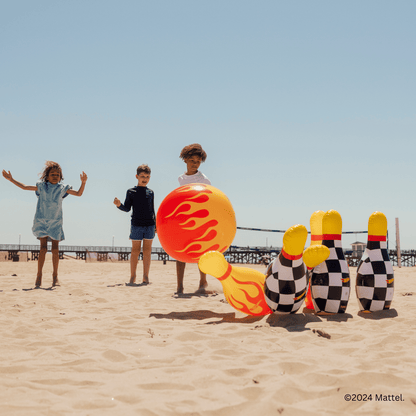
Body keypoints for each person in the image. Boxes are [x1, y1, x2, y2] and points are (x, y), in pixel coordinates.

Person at [2, 161, 87, 288]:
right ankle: (39, 275)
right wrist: (11, 179)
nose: (55, 176)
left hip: (56, 221)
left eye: (57, 174)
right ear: (47, 176)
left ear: (60, 177)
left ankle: (55, 276)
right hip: (41, 220)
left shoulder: (62, 188)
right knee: (42, 249)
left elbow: (79, 194)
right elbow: (25, 187)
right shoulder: (42, 186)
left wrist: (83, 182)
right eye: (52, 174)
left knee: (55, 249)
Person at [176, 143, 212, 294]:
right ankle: (179, 286)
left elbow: (209, 200)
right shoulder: (181, 179)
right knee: (179, 253)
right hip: (184, 220)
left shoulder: (204, 180)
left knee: (201, 254)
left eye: (197, 162)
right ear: (185, 159)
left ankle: (203, 282)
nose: (195, 164)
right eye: (192, 161)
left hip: (199, 220)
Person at [114, 164, 156, 285]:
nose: (145, 178)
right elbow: (127, 208)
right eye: (142, 176)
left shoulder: (151, 192)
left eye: (147, 176)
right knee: (135, 251)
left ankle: (145, 277)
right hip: (136, 224)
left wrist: (156, 224)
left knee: (147, 251)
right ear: (137, 176)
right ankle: (132, 276)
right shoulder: (131, 192)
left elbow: (152, 209)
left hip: (150, 225)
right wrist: (119, 205)